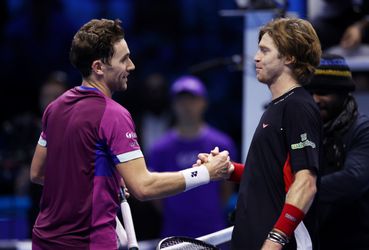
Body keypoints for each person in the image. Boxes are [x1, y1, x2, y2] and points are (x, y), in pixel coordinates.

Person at [29, 18, 232, 249]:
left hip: (44, 241)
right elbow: (143, 187)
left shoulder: (55, 108)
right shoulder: (113, 114)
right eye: (124, 59)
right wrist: (206, 173)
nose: (131, 66)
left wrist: (104, 183)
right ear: (98, 67)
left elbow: (38, 172)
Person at [197, 17, 322, 249]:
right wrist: (229, 170)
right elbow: (269, 177)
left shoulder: (297, 106)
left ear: (288, 57)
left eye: (265, 51)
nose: (256, 57)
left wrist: (275, 240)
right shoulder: (279, 106)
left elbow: (306, 184)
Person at [147, 75, 238, 238]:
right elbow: (155, 194)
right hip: (174, 232)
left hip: (213, 230)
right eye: (181, 101)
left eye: (192, 100)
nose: (187, 106)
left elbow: (227, 188)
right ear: (173, 105)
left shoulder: (222, 143)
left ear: (204, 103)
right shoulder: (159, 148)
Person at [304, 54, 369, 250]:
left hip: (356, 240)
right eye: (312, 92)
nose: (315, 100)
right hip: (314, 239)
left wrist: (299, 192)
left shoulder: (362, 129)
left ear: (342, 94)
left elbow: (354, 179)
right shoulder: (305, 129)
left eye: (323, 92)